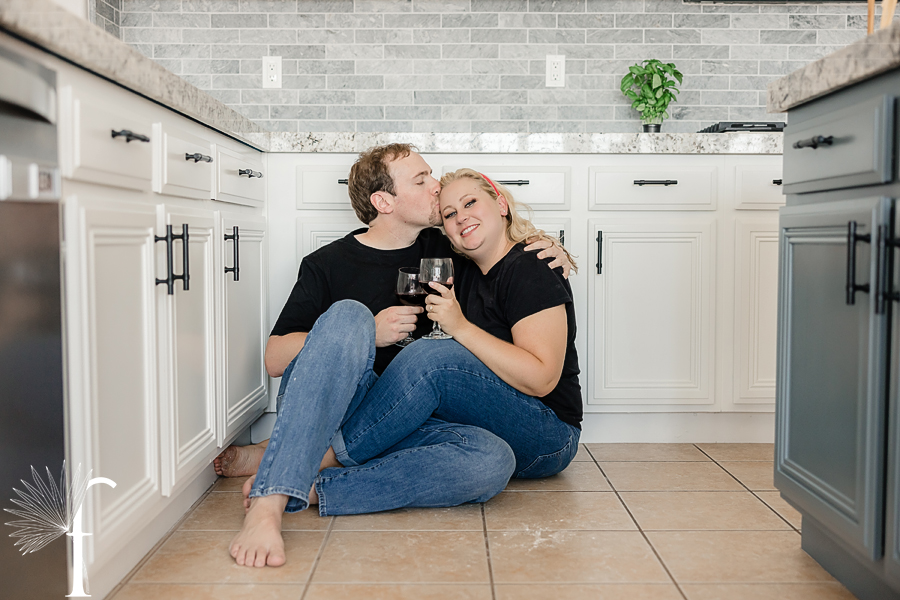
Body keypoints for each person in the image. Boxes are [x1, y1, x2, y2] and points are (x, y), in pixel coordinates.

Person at [227, 146, 573, 568]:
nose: (437, 187)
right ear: (384, 201)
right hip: (356, 405)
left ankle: (304, 470)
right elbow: (275, 358)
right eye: (422, 180)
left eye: (433, 177)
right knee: (349, 315)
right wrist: (367, 334)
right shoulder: (327, 263)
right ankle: (270, 500)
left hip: (420, 418)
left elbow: (502, 250)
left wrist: (545, 243)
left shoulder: (449, 247)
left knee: (491, 460)